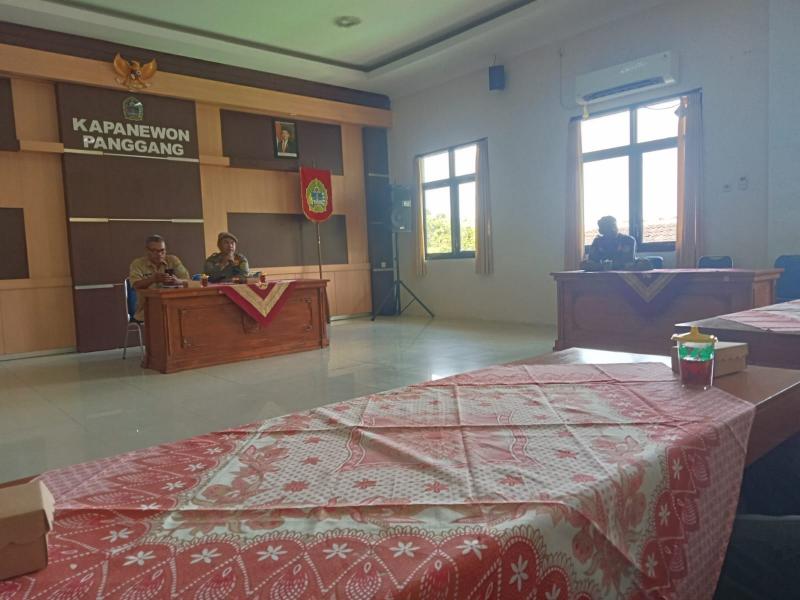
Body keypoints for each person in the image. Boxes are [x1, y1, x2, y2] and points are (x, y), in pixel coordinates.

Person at [129, 234, 190, 321]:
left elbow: (188, 281)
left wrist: (178, 281)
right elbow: (135, 285)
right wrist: (153, 279)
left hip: (173, 309)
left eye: (162, 250)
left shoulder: (173, 260)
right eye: (154, 251)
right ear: (147, 250)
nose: (159, 254)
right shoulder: (138, 264)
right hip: (147, 312)